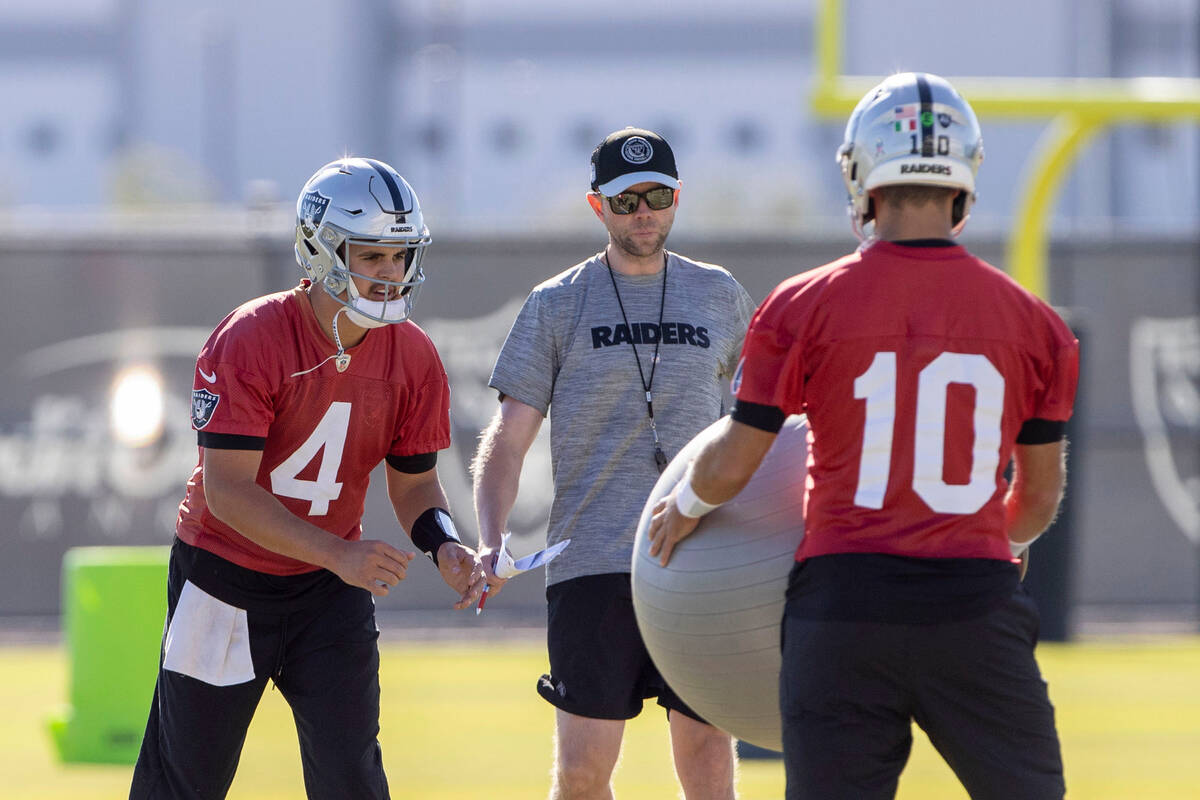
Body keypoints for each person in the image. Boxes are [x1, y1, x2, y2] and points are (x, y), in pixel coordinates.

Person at [648, 73, 1078, 800]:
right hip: (973, 610)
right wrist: (993, 543)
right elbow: (1036, 500)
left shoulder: (803, 304)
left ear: (862, 175)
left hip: (843, 611)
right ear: (963, 178)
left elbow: (739, 459)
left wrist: (685, 504)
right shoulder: (1038, 326)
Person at [130, 157, 486, 800]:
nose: (389, 275)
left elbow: (415, 486)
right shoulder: (253, 336)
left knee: (352, 777)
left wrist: (445, 546)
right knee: (186, 781)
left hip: (326, 591)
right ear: (321, 249)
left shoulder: (414, 355)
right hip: (225, 577)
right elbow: (228, 491)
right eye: (371, 255)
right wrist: (339, 553)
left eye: (400, 257)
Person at [471, 127, 756, 800]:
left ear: (676, 199)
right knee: (579, 773)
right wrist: (489, 537)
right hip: (592, 560)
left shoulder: (720, 295)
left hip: (701, 559)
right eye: (626, 201)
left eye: (657, 196)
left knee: (709, 756)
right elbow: (507, 440)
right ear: (597, 206)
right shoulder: (555, 303)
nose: (643, 213)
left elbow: (761, 428)